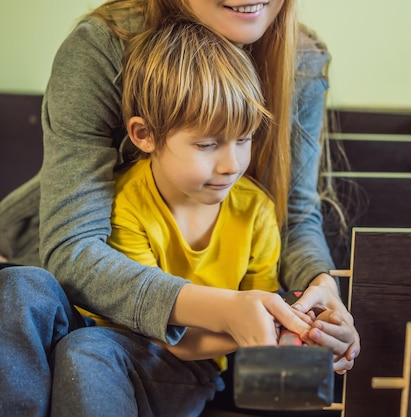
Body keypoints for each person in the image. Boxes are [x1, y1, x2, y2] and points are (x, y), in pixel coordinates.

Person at [0, 0, 359, 415]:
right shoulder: (102, 52)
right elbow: (75, 249)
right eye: (206, 144)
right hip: (62, 285)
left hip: (157, 350)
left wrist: (322, 293)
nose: (231, 164)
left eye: (246, 139)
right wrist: (228, 313)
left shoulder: (299, 69)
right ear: (143, 134)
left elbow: (293, 218)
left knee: (89, 350)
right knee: (20, 293)